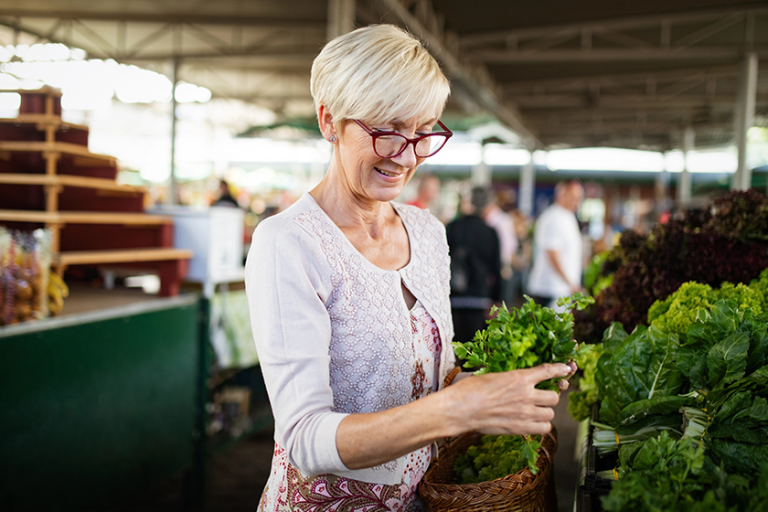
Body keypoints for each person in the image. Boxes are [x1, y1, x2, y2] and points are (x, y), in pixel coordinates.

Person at [244, 25, 575, 512]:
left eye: (424, 132)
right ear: (329, 121)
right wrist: (456, 409)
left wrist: (494, 389)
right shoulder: (289, 244)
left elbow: (431, 383)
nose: (407, 155)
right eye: (387, 130)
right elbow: (306, 439)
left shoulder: (425, 232)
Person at [446, 186, 502, 344]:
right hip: (480, 298)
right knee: (476, 350)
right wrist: (497, 299)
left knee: (455, 349)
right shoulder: (489, 232)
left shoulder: (452, 227)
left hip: (454, 297)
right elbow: (496, 268)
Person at [527, 180, 585, 309]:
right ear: (561, 194)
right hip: (549, 289)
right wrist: (571, 284)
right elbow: (552, 254)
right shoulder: (554, 217)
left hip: (561, 291)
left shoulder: (568, 216)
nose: (576, 202)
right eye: (573, 197)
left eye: (579, 198)